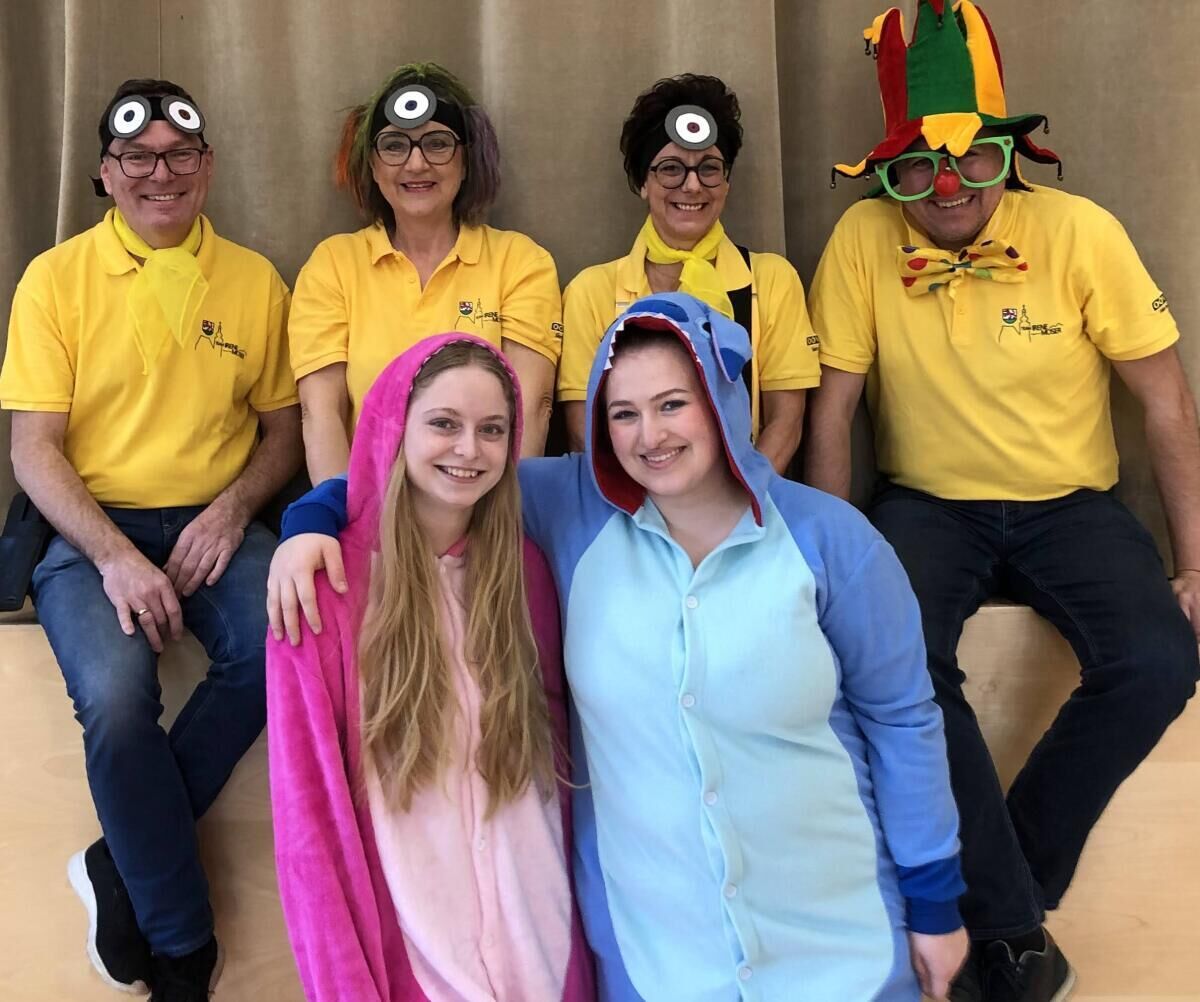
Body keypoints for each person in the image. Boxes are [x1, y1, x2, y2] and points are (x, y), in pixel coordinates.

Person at [267, 293, 968, 1001]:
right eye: (623, 413)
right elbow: (422, 468)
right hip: (661, 963)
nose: (649, 435)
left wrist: (936, 902)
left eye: (673, 404)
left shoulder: (834, 539)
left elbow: (901, 719)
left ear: (721, 399)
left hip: (839, 943)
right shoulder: (572, 507)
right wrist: (310, 519)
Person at [804, 3, 1200, 999]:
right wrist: (817, 565)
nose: (949, 188)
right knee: (895, 662)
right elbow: (832, 411)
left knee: (1160, 660)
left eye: (972, 159)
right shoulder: (860, 239)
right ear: (888, 173)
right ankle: (1017, 934)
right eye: (920, 168)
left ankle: (1002, 902)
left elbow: (1166, 401)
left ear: (1010, 154)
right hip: (928, 505)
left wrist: (1195, 561)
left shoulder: (1081, 231)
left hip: (1072, 505)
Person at [0, 78, 301, 999]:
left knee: (280, 648)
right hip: (92, 530)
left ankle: (118, 859)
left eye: (180, 156)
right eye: (137, 156)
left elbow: (284, 432)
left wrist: (233, 508)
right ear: (105, 172)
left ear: (208, 166)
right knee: (117, 700)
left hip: (218, 521)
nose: (159, 174)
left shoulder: (255, 280)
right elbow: (33, 449)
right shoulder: (55, 279)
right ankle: (182, 945)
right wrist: (115, 557)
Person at [267, 334, 594, 1002]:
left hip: (545, 961)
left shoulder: (527, 573)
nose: (469, 449)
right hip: (413, 971)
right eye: (444, 423)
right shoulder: (323, 586)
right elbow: (310, 831)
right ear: (395, 426)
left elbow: (553, 778)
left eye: (492, 429)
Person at [290, 62, 563, 481]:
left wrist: (499, 515)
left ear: (467, 160)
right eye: (394, 146)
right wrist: (346, 514)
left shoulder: (521, 262)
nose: (416, 164)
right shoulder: (333, 264)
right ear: (372, 165)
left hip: (482, 497)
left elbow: (531, 408)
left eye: (437, 144)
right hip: (369, 503)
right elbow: (320, 412)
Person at [557, 74, 819, 473]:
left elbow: (786, 423)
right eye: (671, 169)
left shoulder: (771, 280)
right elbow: (584, 432)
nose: (693, 186)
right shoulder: (591, 291)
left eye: (709, 168)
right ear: (642, 182)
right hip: (633, 496)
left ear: (727, 181)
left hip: (745, 493)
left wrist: (739, 497)